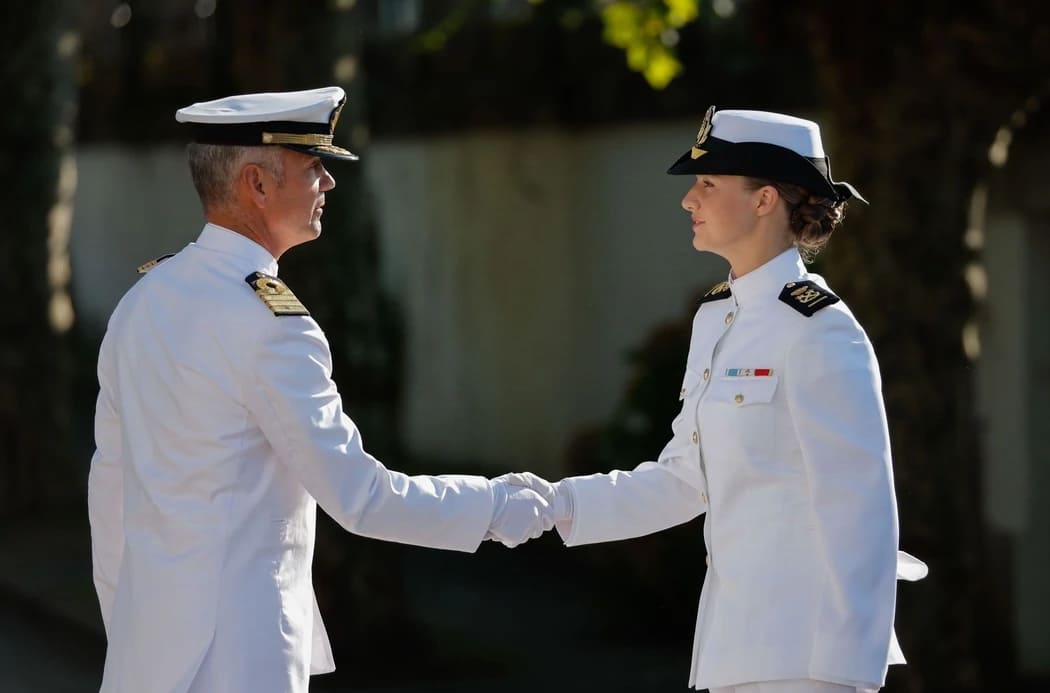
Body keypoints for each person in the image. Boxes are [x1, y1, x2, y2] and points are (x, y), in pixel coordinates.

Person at [86, 86, 554, 693]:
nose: (328, 183)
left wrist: (133, 633)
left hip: (144, 659)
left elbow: (110, 494)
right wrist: (495, 506)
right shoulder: (269, 324)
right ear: (257, 184)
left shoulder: (141, 301)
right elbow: (359, 497)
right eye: (313, 167)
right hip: (242, 660)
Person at [502, 107, 927, 693]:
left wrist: (849, 671)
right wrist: (555, 505)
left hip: (806, 661)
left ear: (764, 200)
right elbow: (685, 480)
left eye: (707, 183)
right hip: (732, 650)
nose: (688, 201)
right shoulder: (718, 315)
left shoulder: (820, 328)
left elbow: (861, 509)